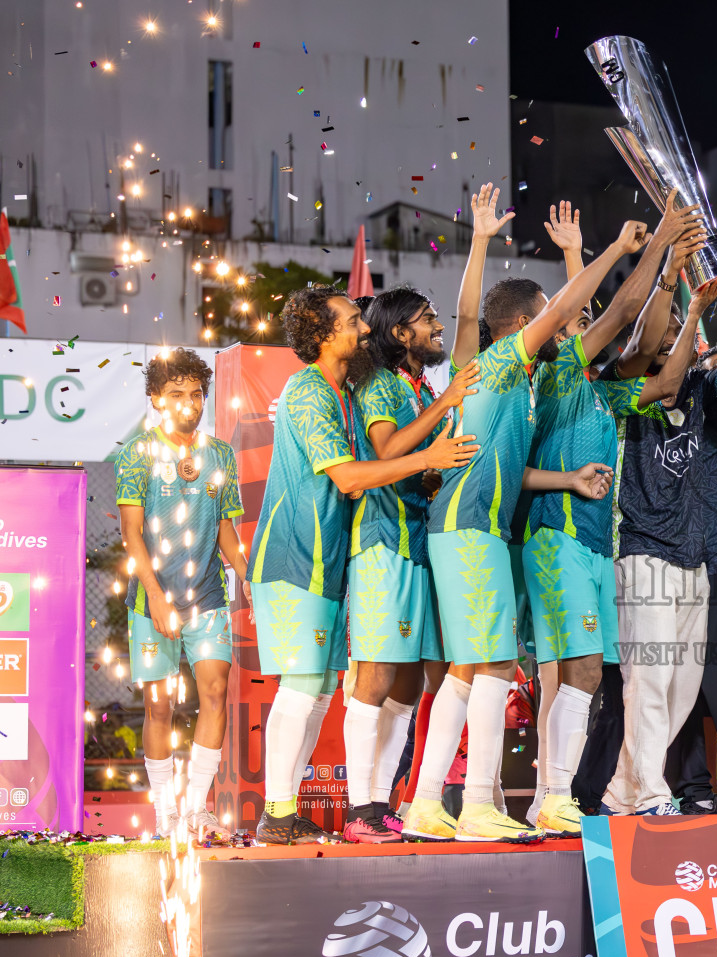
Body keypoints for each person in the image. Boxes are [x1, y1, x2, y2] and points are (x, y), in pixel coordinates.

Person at [402, 183, 623, 843]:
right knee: (494, 667)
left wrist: (566, 476)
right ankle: (474, 806)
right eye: (547, 322)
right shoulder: (500, 367)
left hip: (475, 530)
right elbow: (556, 312)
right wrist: (603, 252)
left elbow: (470, 323)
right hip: (471, 532)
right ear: (527, 328)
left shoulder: (494, 380)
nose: (562, 329)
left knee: (474, 670)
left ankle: (424, 805)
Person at [247, 288, 477, 845]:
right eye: (353, 322)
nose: (364, 329)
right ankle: (290, 816)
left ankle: (282, 811)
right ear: (324, 335)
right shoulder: (306, 393)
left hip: (324, 564)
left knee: (319, 693)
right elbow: (350, 477)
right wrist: (427, 458)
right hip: (291, 557)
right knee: (302, 693)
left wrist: (420, 471)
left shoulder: (343, 395)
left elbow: (364, 474)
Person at [521, 191, 706, 837]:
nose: (585, 326)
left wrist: (694, 313)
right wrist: (654, 245)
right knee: (572, 673)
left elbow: (660, 381)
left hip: (595, 544)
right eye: (575, 323)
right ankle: (552, 797)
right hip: (560, 536)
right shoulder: (558, 378)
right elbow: (627, 311)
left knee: (582, 674)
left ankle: (554, 797)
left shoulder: (600, 392)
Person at [601, 271, 717, 816]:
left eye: (680, 326)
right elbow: (647, 355)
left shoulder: (707, 390)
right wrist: (689, 310)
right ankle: (655, 792)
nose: (673, 332)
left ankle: (632, 790)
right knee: (651, 679)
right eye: (665, 328)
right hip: (642, 544)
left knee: (682, 685)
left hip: (700, 554)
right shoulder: (624, 384)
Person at [338, 288, 479, 842]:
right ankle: (357, 809)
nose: (437, 326)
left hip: (417, 544)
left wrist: (431, 472)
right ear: (400, 333)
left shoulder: (419, 387)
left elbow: (416, 463)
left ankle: (381, 801)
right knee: (374, 678)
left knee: (406, 685)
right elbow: (385, 452)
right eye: (428, 319)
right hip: (381, 542)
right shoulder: (379, 383)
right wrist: (444, 412)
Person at [116, 348, 247, 840]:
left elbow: (225, 531)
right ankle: (164, 813)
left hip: (208, 597)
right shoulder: (137, 454)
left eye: (196, 394)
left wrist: (247, 571)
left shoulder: (220, 454)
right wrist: (154, 594)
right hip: (152, 602)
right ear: (156, 399)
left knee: (216, 692)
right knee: (159, 708)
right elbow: (131, 535)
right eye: (176, 395)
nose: (189, 404)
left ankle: (196, 809)